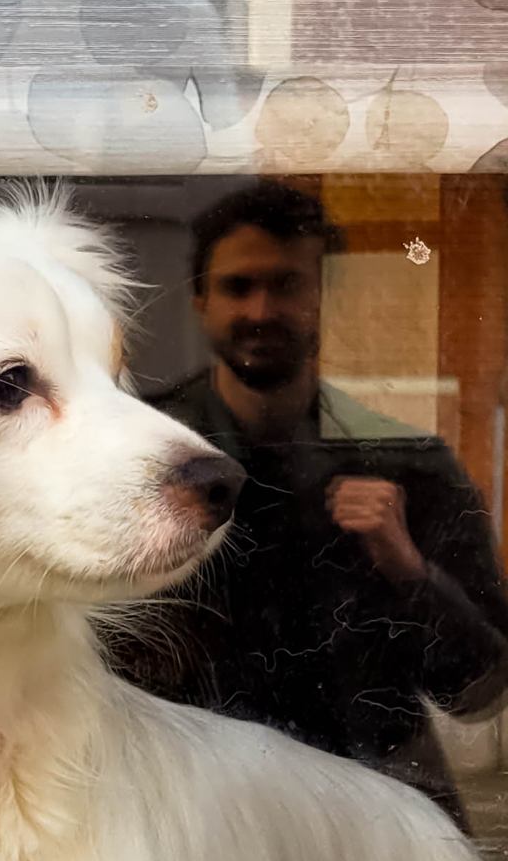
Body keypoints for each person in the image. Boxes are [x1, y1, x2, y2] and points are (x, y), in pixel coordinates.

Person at [114, 180, 508, 825]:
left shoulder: (411, 464)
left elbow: (480, 691)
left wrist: (410, 569)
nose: (262, 309)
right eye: (239, 287)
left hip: (379, 815)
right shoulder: (136, 454)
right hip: (187, 809)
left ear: (328, 298)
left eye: (288, 284)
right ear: (201, 301)